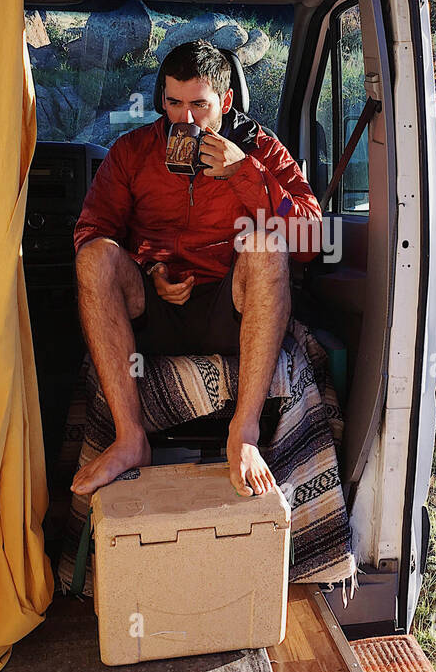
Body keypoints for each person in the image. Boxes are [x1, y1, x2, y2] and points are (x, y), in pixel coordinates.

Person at [72, 39, 322, 497]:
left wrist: (245, 172)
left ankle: (243, 433)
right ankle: (131, 440)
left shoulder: (260, 148)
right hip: (153, 311)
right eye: (172, 103)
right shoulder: (132, 152)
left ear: (225, 102)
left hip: (229, 310)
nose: (184, 119)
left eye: (199, 105)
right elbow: (91, 233)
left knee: (267, 246)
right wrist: (148, 269)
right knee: (95, 258)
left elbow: (309, 241)